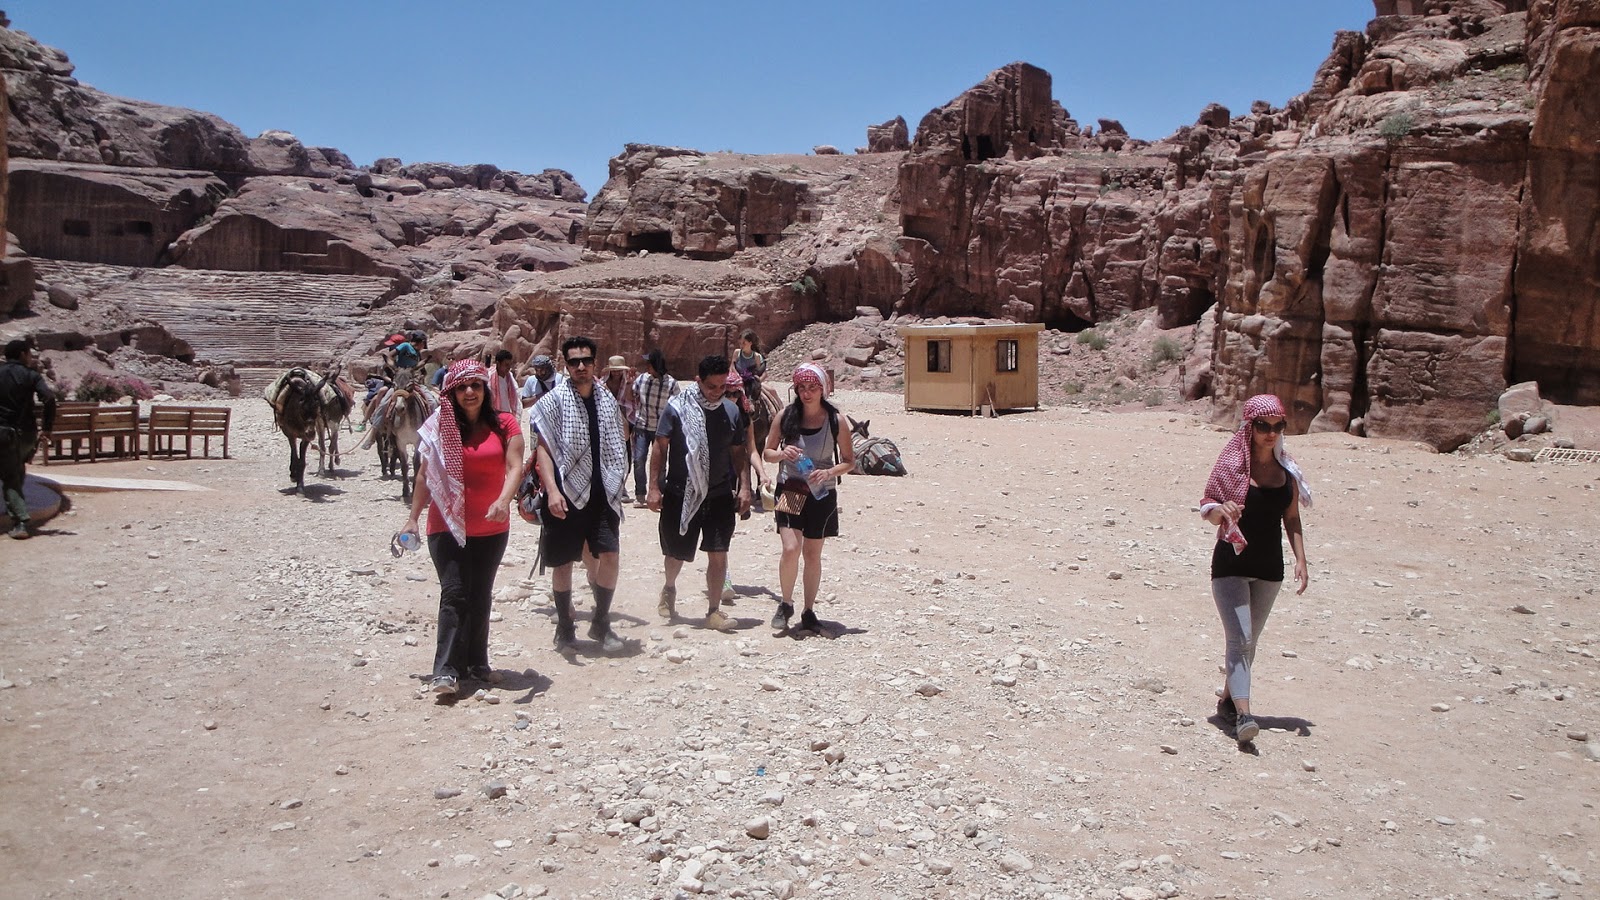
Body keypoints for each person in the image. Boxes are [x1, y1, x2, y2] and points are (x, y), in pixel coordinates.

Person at [400, 360, 524, 697]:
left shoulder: (506, 424)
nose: (470, 392)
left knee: (481, 593)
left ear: (485, 389)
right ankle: (446, 670)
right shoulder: (439, 426)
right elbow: (424, 476)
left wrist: (503, 500)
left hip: (491, 528)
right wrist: (412, 518)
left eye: (476, 385)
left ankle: (476, 663)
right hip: (446, 525)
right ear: (452, 393)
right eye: (462, 387)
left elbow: (515, 466)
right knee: (454, 593)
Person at [1199, 394, 1312, 746]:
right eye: (1264, 426)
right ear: (1250, 427)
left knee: (1250, 642)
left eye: (1278, 426)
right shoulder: (1232, 467)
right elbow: (1208, 508)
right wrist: (1222, 510)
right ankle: (1245, 716)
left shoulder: (1287, 473)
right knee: (1240, 639)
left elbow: (1291, 518)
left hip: (1269, 569)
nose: (1271, 433)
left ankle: (1227, 702)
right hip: (1230, 565)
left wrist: (1301, 559)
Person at [528, 337, 630, 653]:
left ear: (595, 363)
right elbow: (543, 450)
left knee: (610, 555)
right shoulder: (553, 403)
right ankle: (564, 624)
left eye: (586, 360)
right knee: (563, 563)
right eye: (574, 362)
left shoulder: (607, 400)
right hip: (565, 494)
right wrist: (553, 491)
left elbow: (621, 436)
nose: (581, 366)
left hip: (603, 494)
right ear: (566, 365)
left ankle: (600, 621)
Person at [648, 355, 751, 631]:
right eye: (711, 386)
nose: (717, 392)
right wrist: (654, 487)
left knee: (719, 552)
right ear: (698, 381)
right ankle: (669, 587)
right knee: (676, 553)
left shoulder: (731, 411)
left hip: (719, 494)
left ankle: (713, 611)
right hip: (681, 493)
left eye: (722, 387)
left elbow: (738, 452)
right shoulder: (677, 409)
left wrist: (744, 486)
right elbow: (660, 446)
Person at [762, 363, 854, 632]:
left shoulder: (836, 421)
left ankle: (809, 610)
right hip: (790, 489)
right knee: (791, 548)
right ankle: (786, 603)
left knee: (813, 554)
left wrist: (828, 472)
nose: (806, 393)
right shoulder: (785, 416)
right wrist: (782, 454)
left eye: (812, 387)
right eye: (801, 387)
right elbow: (767, 452)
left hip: (821, 494)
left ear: (823, 389)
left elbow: (849, 461)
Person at [0, 340, 56, 540]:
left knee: (10, 477)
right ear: (22, 354)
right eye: (30, 354)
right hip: (27, 434)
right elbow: (49, 398)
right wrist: (47, 428)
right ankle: (16, 506)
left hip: (4, 433)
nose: (31, 358)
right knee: (16, 470)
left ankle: (20, 521)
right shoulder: (31, 375)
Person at [629, 349, 677, 507]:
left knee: (661, 464)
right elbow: (631, 396)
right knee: (638, 460)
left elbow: (678, 406)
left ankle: (660, 492)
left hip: (661, 431)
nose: (646, 366)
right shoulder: (642, 379)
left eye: (649, 363)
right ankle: (640, 494)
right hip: (642, 426)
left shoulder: (671, 384)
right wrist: (629, 383)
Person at [733, 330, 767, 399]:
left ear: (750, 343)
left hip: (753, 383)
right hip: (738, 381)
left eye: (744, 343)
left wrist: (757, 381)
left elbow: (762, 373)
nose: (741, 345)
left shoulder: (757, 356)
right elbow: (732, 367)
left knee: (772, 391)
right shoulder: (737, 353)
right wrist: (738, 377)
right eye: (740, 343)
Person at [488, 350, 521, 415]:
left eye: (510, 365)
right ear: (498, 364)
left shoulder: (510, 376)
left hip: (507, 414)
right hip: (493, 414)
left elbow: (516, 393)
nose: (509, 367)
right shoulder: (489, 377)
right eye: (506, 365)